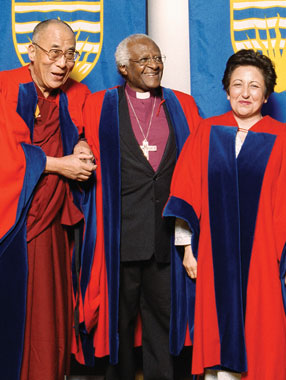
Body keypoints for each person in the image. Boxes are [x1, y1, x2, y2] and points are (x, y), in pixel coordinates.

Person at [73, 34, 201, 380]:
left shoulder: (183, 105)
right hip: (121, 233)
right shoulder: (100, 104)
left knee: (164, 320)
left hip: (165, 234)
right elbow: (76, 140)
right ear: (122, 68)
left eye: (157, 58)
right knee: (120, 323)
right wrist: (82, 142)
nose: (154, 65)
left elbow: (196, 166)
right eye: (143, 60)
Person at [163, 49, 286, 380]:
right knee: (218, 342)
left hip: (262, 259)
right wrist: (188, 249)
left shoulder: (281, 137)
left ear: (267, 93)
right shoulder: (207, 131)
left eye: (254, 86)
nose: (245, 93)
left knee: (263, 336)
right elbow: (186, 192)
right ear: (226, 89)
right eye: (237, 84)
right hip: (214, 258)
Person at [0, 19, 96, 380]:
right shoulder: (5, 86)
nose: (62, 62)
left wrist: (82, 145)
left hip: (54, 225)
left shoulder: (76, 94)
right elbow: (6, 154)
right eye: (54, 52)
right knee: (23, 317)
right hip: (16, 227)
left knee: (52, 317)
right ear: (31, 52)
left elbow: (82, 131)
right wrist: (61, 165)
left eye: (70, 54)